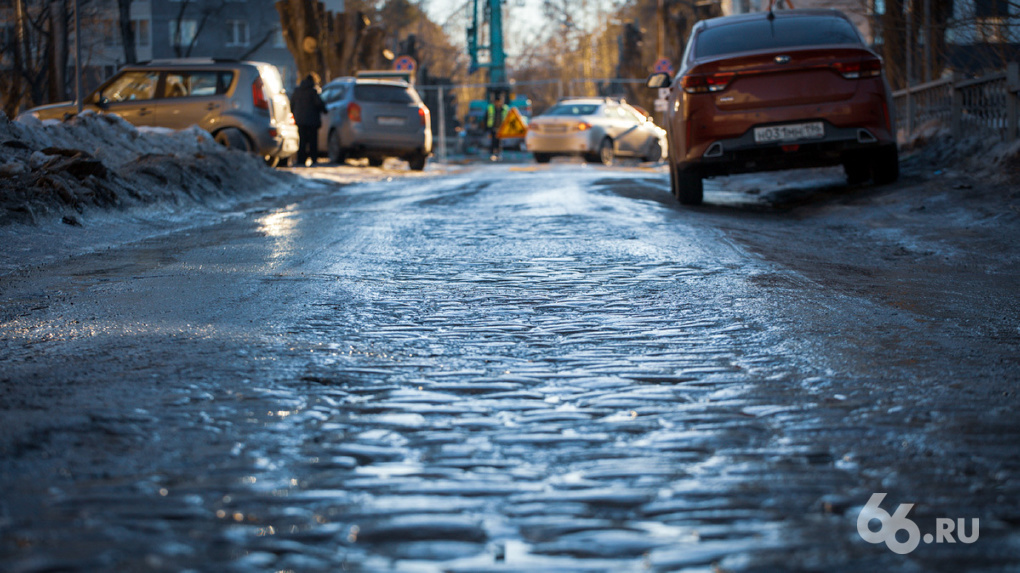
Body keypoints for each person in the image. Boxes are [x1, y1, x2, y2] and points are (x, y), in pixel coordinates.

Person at [289, 73, 326, 167]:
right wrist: (325, 110)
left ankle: (301, 160)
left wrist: (295, 114)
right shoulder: (313, 91)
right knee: (313, 142)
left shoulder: (297, 90)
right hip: (312, 121)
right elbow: (319, 104)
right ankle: (313, 159)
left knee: (302, 141)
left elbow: (292, 104)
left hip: (300, 120)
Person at [486, 95, 509, 160]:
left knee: (500, 142)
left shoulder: (505, 108)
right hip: (493, 127)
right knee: (493, 141)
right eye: (496, 102)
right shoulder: (491, 108)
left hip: (501, 128)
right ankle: (492, 154)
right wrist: (487, 127)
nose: (498, 103)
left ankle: (499, 154)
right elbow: (487, 117)